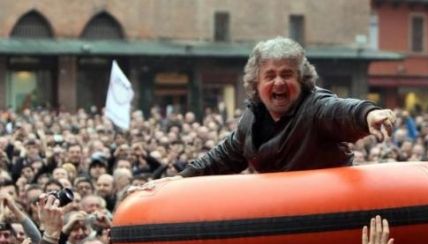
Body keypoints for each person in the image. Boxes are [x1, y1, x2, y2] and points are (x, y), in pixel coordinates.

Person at [131, 37, 396, 191]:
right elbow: (222, 157)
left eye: (287, 75)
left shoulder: (315, 108)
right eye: (270, 75)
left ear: (302, 81)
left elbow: (341, 111)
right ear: (256, 84)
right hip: (276, 216)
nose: (278, 83)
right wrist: (175, 183)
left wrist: (368, 114)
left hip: (325, 211)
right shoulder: (251, 119)